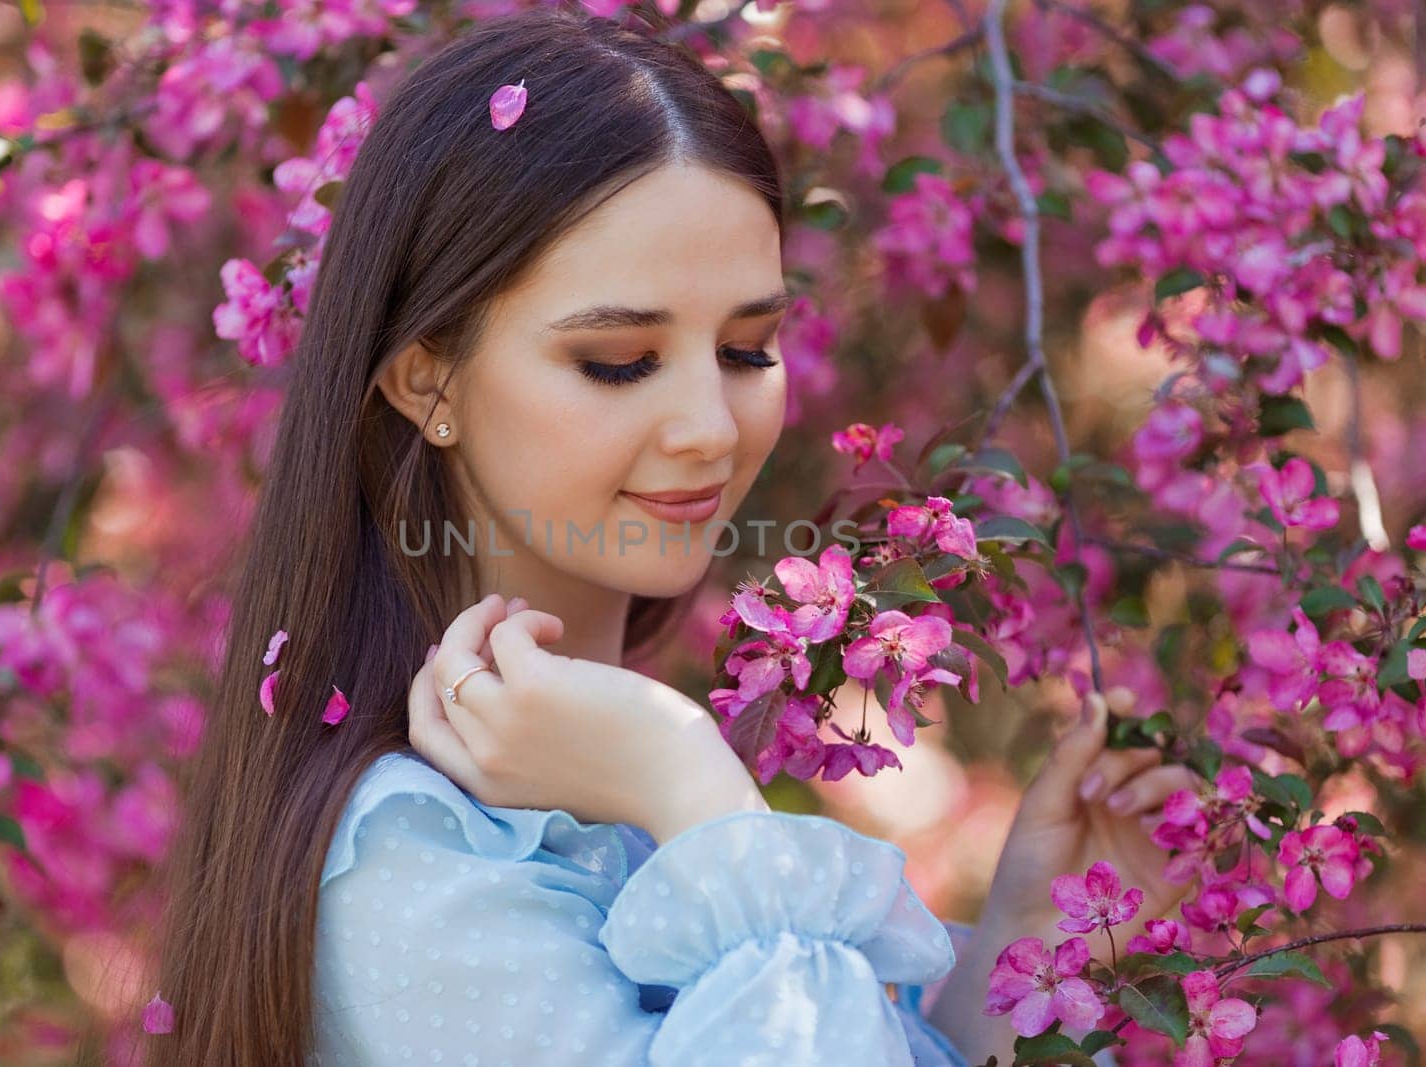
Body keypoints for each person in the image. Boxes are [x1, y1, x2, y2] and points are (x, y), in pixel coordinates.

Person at [147, 9, 1197, 1065]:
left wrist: (1018, 952)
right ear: (428, 377)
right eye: (617, 359)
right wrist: (689, 785)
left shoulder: (612, 794)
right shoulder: (408, 868)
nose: (708, 427)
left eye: (748, 348)